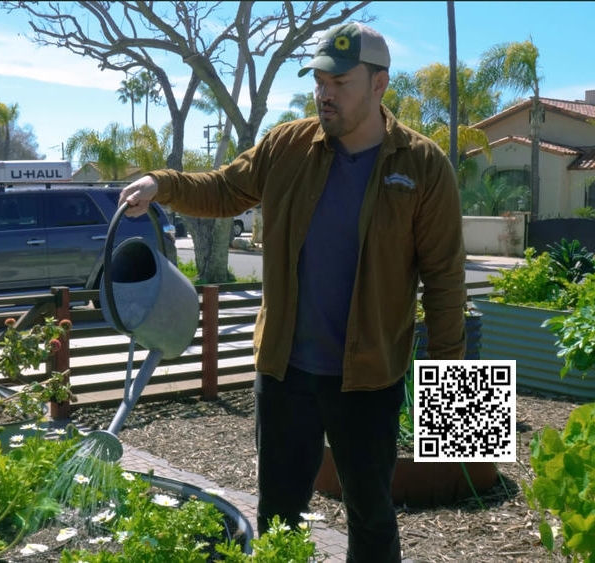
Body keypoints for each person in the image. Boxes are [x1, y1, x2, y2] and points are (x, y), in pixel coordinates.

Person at [119, 22, 466, 563]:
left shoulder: (422, 166)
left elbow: (446, 280)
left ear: (379, 86)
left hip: (369, 378)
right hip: (284, 373)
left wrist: (454, 406)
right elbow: (227, 188)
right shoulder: (289, 145)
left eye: (341, 82)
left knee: (371, 517)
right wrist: (162, 184)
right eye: (320, 80)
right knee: (280, 514)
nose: (326, 92)